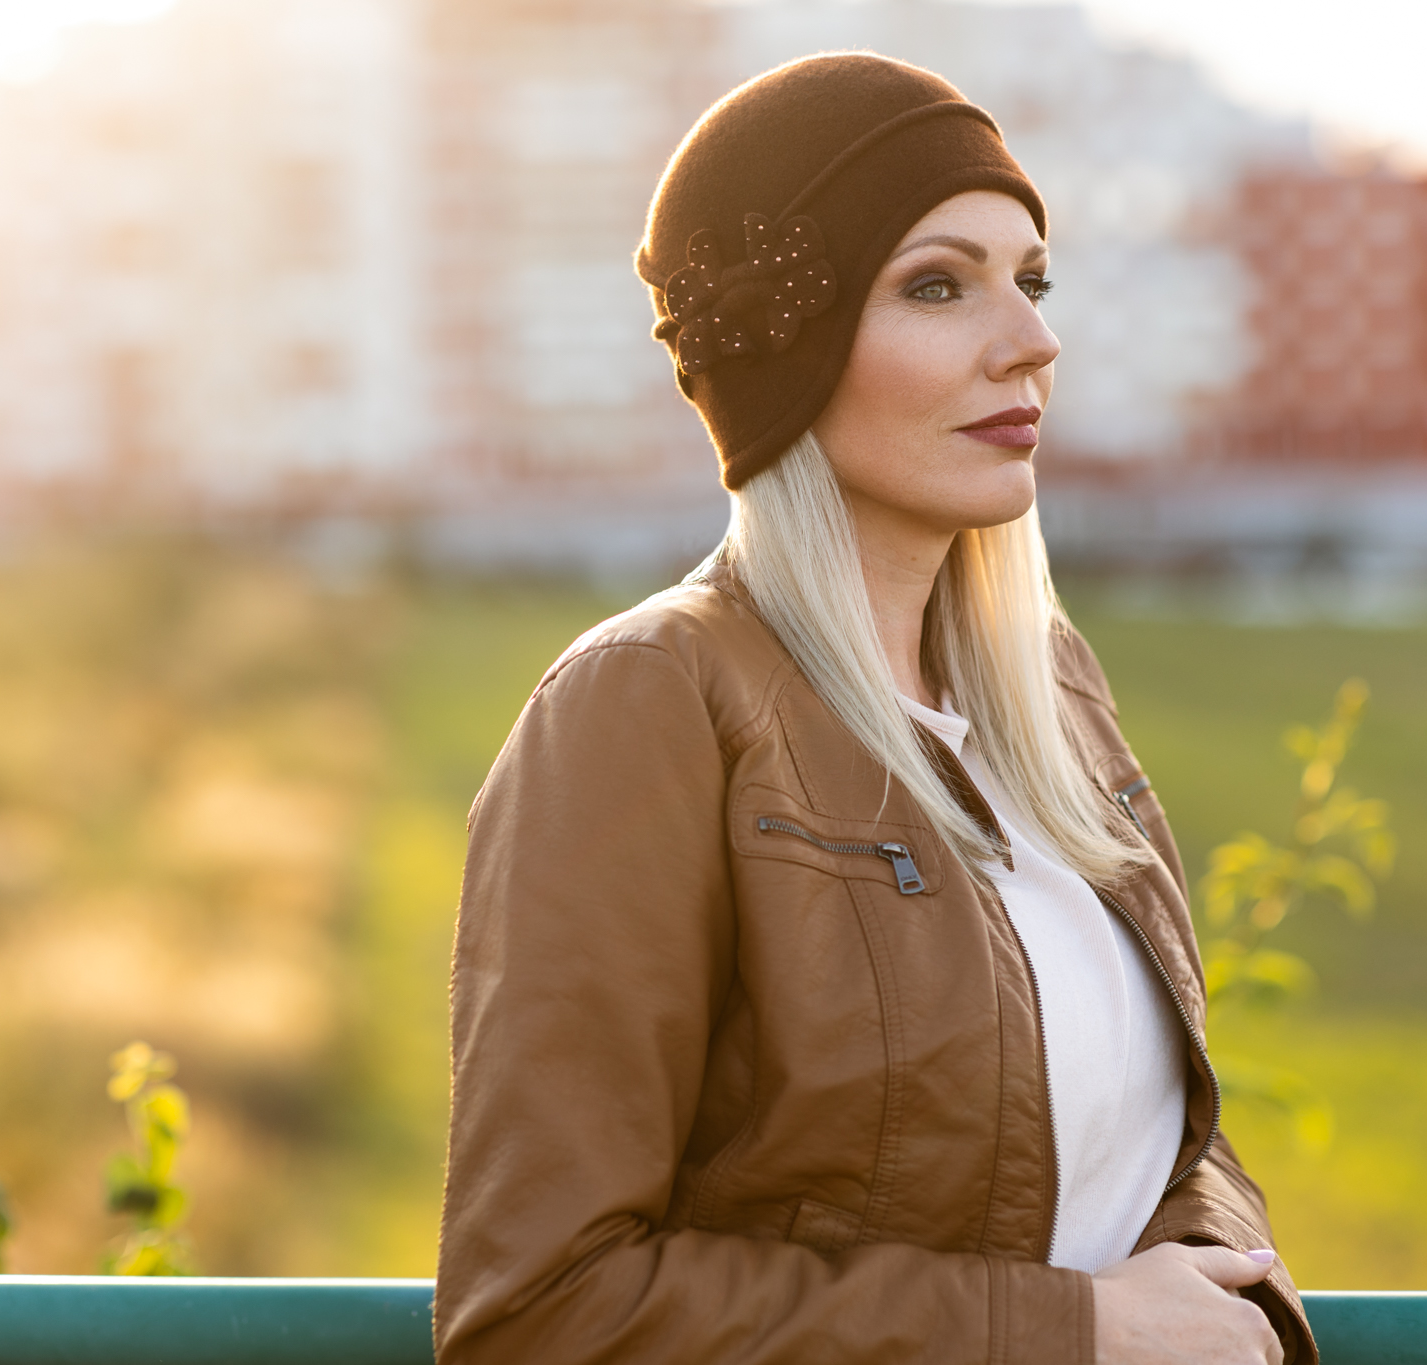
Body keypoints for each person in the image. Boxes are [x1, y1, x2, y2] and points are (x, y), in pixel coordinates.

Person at [435, 52, 1312, 1365]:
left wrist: (1214, 1276)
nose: (1031, 339)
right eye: (938, 285)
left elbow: (1160, 1135)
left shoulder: (1052, 697)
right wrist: (1071, 1331)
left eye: (1031, 279)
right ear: (791, 347)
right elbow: (543, 1310)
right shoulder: (648, 706)